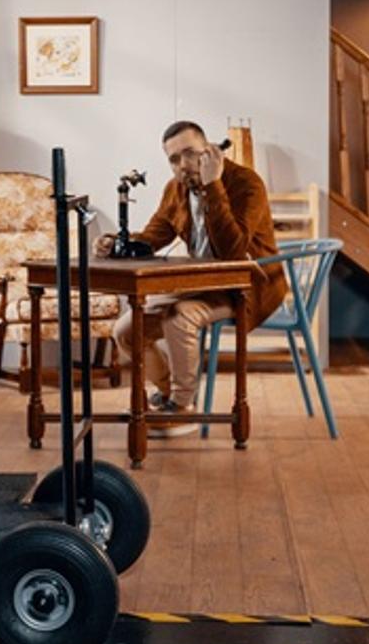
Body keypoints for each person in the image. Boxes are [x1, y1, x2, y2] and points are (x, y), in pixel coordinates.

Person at [94, 121, 287, 437]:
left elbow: (233, 250)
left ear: (209, 151)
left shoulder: (246, 183)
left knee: (178, 318)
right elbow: (154, 236)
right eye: (173, 159)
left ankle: (184, 409)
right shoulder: (176, 188)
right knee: (126, 330)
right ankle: (169, 393)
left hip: (247, 286)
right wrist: (116, 243)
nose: (183, 165)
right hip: (201, 285)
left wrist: (213, 186)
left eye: (190, 154)